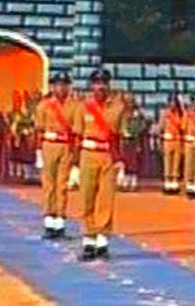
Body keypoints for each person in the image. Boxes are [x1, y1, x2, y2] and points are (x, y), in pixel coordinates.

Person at [72, 69, 130, 260]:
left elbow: (120, 137)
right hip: (88, 154)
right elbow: (77, 136)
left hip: (107, 156)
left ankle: (102, 240)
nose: (100, 87)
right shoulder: (83, 107)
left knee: (106, 198)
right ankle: (89, 239)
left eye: (103, 83)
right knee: (87, 197)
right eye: (97, 83)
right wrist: (74, 163)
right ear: (91, 86)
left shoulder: (118, 107)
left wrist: (121, 161)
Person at [35, 72, 76, 239]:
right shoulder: (44, 105)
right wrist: (38, 150)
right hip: (49, 145)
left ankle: (60, 222)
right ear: (52, 87)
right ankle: (48, 222)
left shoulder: (74, 106)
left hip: (66, 146)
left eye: (64, 85)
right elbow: (39, 128)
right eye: (58, 85)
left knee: (62, 185)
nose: (61, 88)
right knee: (49, 184)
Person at [161, 96, 185, 195]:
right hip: (168, 140)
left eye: (174, 103)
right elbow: (161, 126)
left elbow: (183, 126)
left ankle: (175, 181)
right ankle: (167, 181)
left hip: (177, 140)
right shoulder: (165, 114)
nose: (172, 105)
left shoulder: (181, 114)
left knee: (176, 161)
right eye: (171, 102)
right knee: (167, 161)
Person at [183, 98, 195, 197]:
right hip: (189, 142)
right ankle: (188, 186)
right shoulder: (187, 116)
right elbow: (183, 127)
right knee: (189, 165)